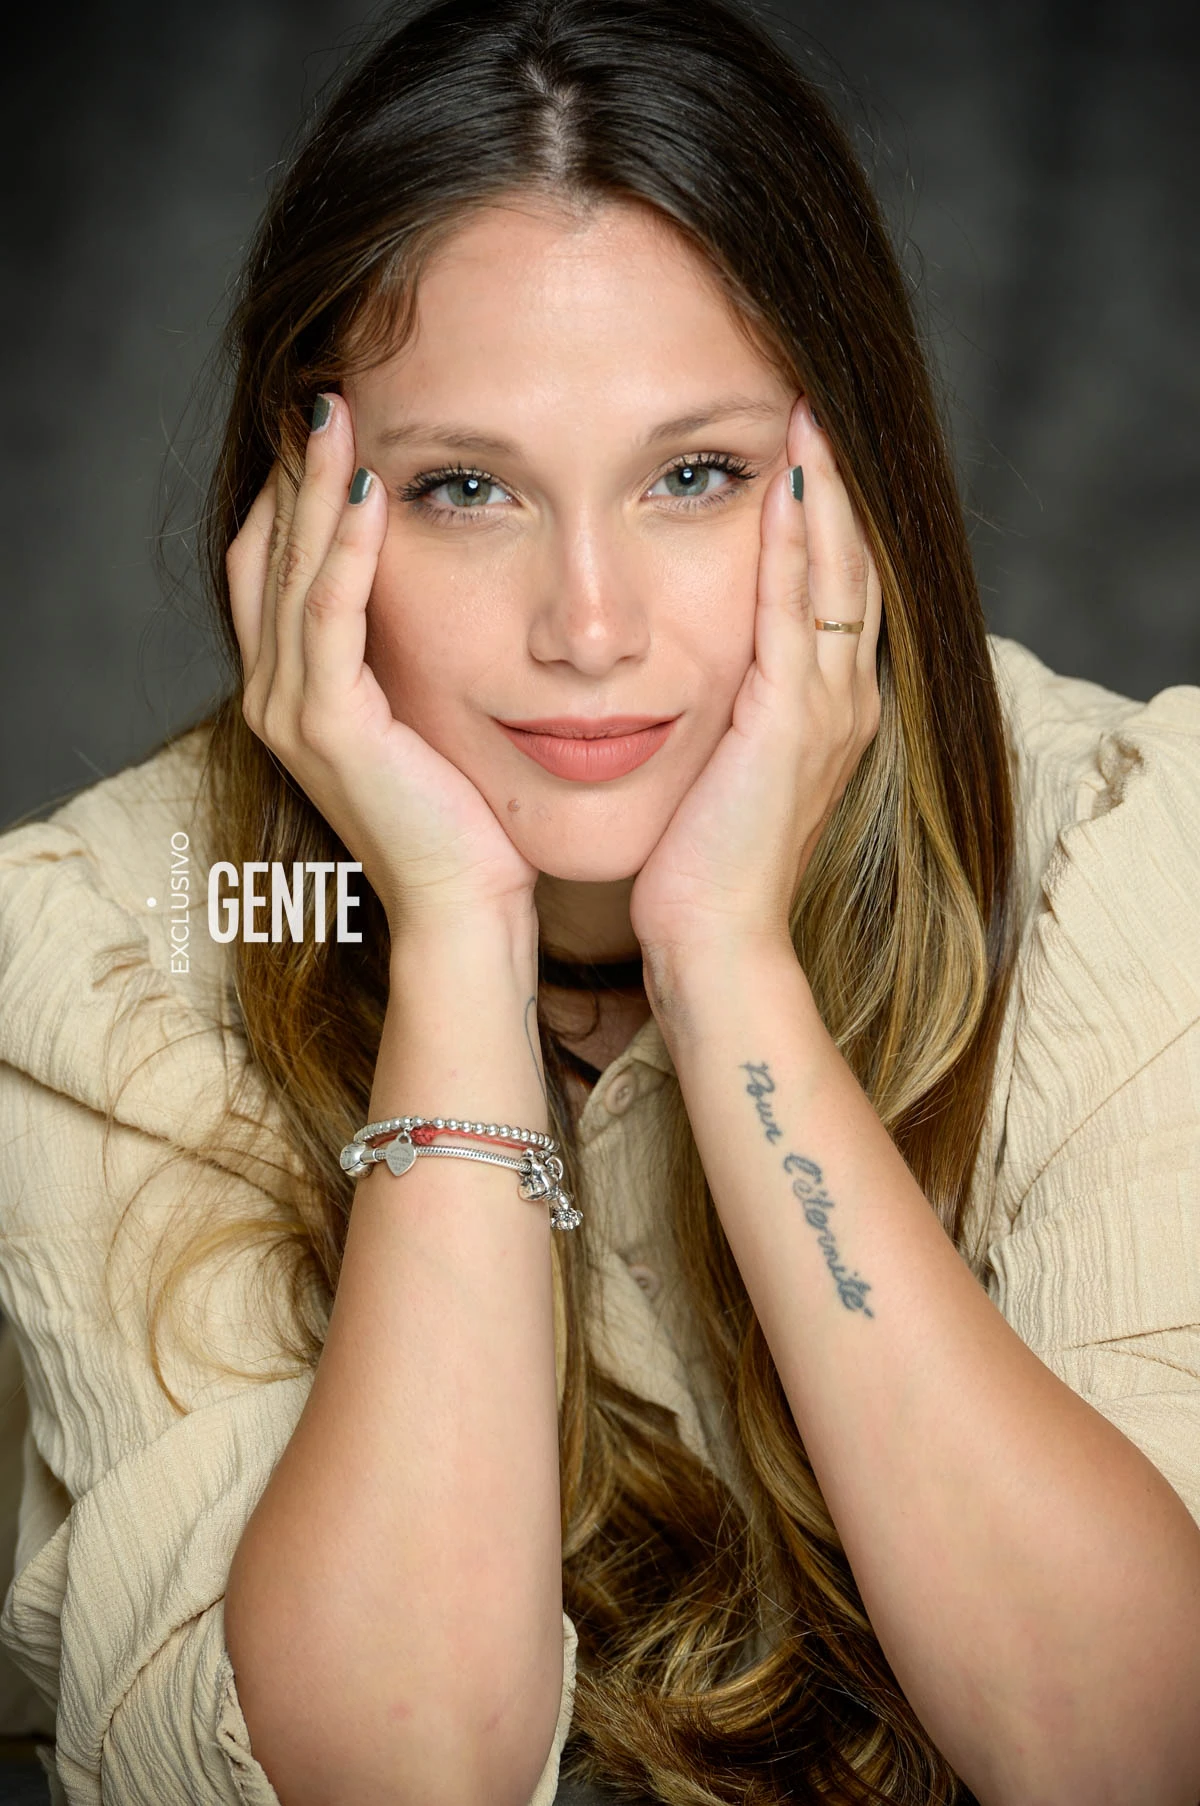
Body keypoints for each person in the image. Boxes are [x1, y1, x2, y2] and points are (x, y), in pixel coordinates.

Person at [0, 0, 1198, 1801]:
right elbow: (404, 1772)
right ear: (304, 519)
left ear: (852, 477)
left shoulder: (1118, 840)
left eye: (692, 476)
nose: (588, 624)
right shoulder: (121, 938)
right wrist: (454, 937)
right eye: (464, 488)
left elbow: (1123, 1751)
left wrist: (727, 963)